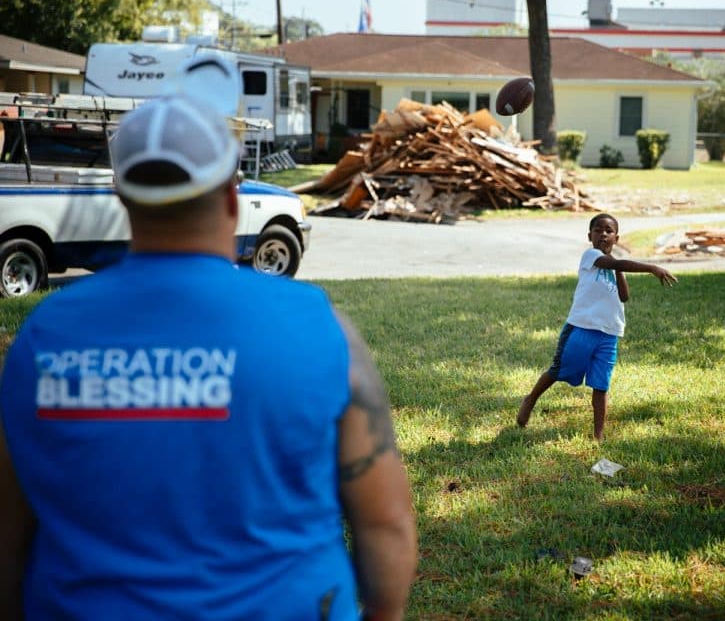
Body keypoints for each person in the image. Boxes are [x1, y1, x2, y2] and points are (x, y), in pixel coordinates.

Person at [0, 92, 417, 620]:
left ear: (123, 198)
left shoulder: (46, 337)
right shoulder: (317, 327)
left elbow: (10, 538)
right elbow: (385, 523)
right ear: (230, 196)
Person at [516, 213, 677, 440]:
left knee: (601, 385)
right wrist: (651, 267)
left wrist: (619, 269)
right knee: (558, 370)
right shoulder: (590, 256)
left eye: (609, 231)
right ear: (589, 235)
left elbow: (624, 296)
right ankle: (531, 398)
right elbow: (616, 262)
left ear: (616, 238)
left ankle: (598, 435)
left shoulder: (613, 265)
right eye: (598, 230)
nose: (603, 234)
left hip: (609, 333)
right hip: (581, 328)